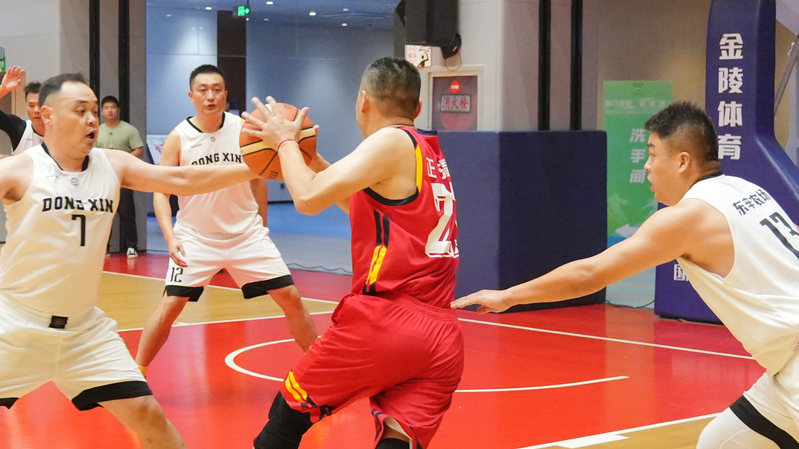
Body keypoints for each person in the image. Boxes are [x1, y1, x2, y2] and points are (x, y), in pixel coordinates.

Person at [452, 101, 799, 448]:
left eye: (653, 153)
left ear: (682, 162)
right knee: (719, 442)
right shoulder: (746, 189)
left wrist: (508, 296)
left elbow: (590, 274)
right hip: (786, 369)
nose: (647, 166)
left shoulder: (688, 217)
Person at [0, 73, 260, 448]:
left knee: (148, 415)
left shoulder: (113, 164)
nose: (92, 119)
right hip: (16, 326)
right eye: (80, 110)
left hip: (84, 333)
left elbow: (182, 179)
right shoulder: (19, 169)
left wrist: (257, 167)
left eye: (94, 110)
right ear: (47, 115)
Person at [244, 56, 464, 449]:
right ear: (417, 106)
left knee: (286, 417)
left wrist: (285, 142)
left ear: (363, 100)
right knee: (396, 440)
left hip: (388, 322)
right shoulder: (425, 149)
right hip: (441, 337)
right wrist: (310, 158)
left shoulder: (389, 141)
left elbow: (307, 198)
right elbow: (359, 202)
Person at [134, 64, 317, 376]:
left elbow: (259, 179)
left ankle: (320, 368)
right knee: (170, 306)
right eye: (203, 90)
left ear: (226, 94)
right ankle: (137, 372)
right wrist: (170, 237)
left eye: (216, 89)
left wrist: (262, 224)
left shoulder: (245, 131)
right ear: (191, 96)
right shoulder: (179, 137)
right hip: (195, 237)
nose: (210, 96)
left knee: (291, 297)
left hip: (246, 235)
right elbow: (161, 192)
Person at [96, 95, 145, 258]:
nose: (110, 111)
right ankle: (104, 246)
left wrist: (123, 159)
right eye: (106, 108)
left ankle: (131, 246)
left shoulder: (129, 130)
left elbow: (139, 149)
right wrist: (104, 153)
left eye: (113, 107)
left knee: (127, 212)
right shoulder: (97, 130)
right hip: (103, 178)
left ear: (118, 110)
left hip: (123, 178)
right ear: (102, 111)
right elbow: (90, 151)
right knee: (103, 213)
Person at [0, 65, 44, 154]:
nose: (36, 110)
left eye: (40, 105)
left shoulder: (63, 132)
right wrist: (3, 89)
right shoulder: (19, 128)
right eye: (31, 106)